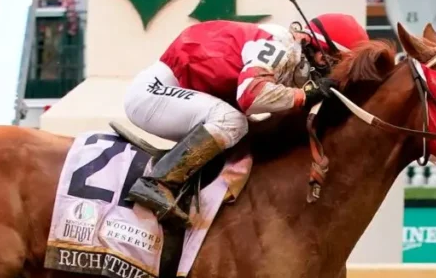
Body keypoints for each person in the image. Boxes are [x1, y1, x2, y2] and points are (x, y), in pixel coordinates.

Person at [123, 13, 370, 225]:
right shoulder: (280, 47)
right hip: (153, 93)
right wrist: (305, 94)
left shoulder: (289, 53)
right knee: (232, 121)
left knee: (244, 132)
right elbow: (251, 96)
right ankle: (157, 183)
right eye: (332, 63)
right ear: (314, 46)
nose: (331, 72)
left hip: (181, 93)